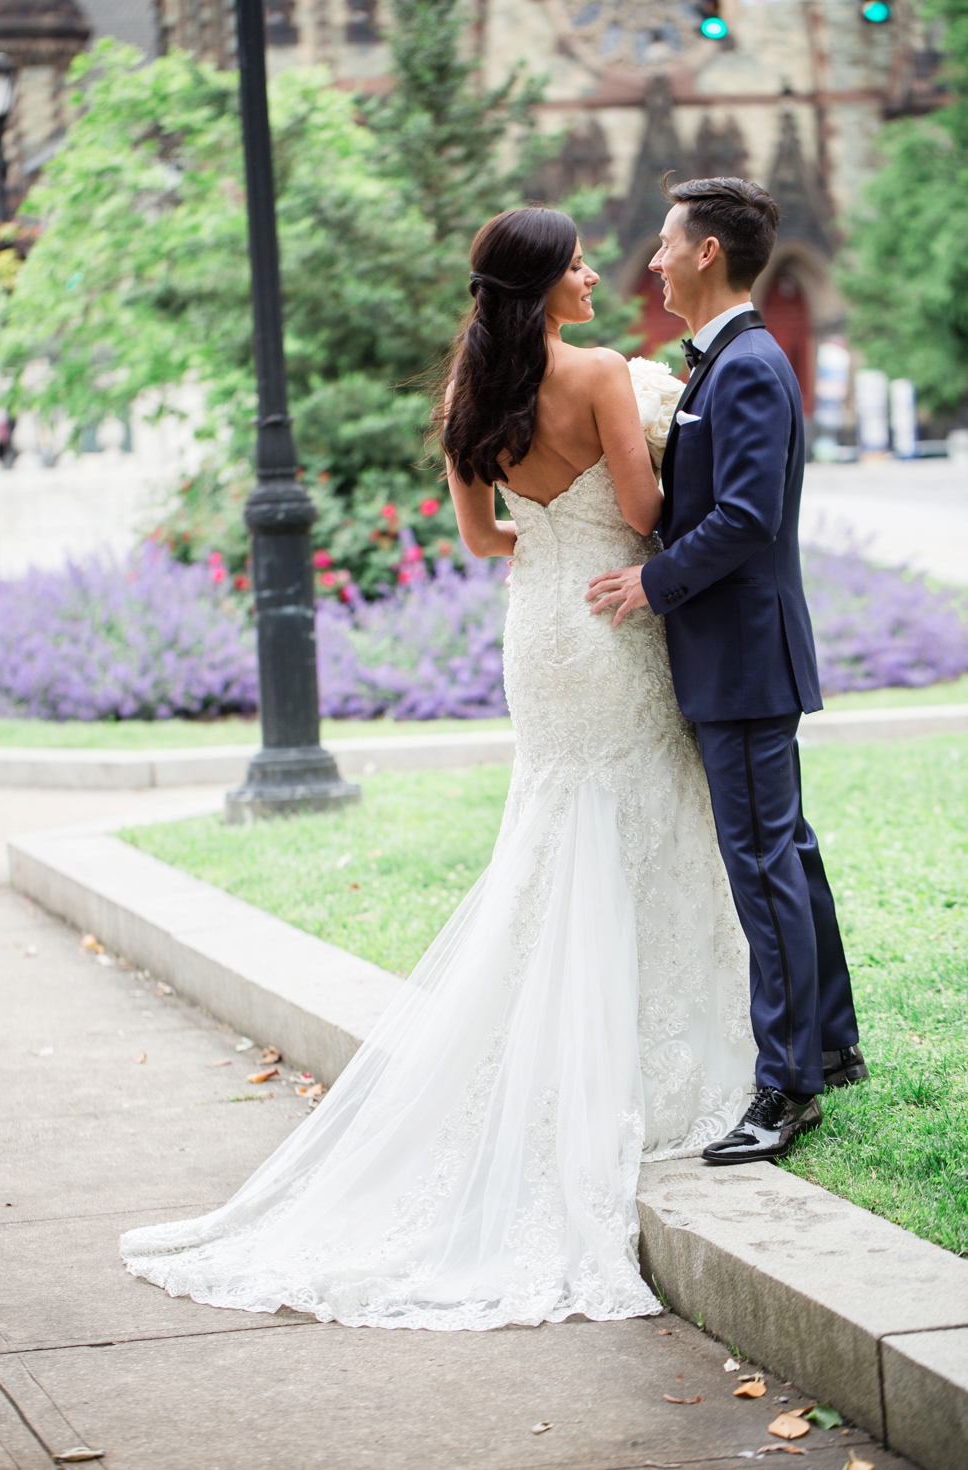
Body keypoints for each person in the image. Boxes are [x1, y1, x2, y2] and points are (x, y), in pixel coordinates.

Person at [120, 206, 756, 1330]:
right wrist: (644, 458)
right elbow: (650, 512)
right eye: (577, 265)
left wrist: (554, 541)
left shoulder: (470, 398)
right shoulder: (607, 372)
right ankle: (658, 1069)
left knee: (556, 829)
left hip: (541, 630)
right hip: (612, 622)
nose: (596, 274)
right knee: (647, 817)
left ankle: (557, 1059)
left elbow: (478, 541)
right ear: (544, 285)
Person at [587, 178, 868, 1166]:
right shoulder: (726, 362)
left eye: (666, 244)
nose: (653, 260)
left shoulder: (746, 366)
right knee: (783, 849)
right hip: (740, 654)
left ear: (706, 252)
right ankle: (829, 1045)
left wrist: (650, 581)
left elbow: (746, 518)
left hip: (741, 657)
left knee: (761, 864)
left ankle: (786, 1087)